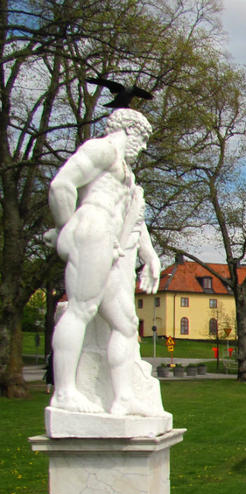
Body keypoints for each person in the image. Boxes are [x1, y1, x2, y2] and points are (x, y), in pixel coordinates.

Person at [45, 107, 160, 416]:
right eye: (143, 138)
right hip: (93, 228)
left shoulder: (124, 172)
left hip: (109, 241)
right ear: (129, 131)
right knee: (81, 309)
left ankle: (123, 397)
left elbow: (134, 216)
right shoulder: (102, 150)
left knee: (126, 324)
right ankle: (65, 392)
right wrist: (66, 230)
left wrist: (149, 254)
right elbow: (61, 185)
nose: (144, 146)